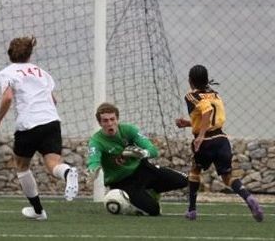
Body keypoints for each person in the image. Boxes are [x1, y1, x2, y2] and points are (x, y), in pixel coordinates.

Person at [0, 36, 78, 221]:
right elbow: (53, 100)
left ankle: (38, 211)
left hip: (28, 124)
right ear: (30, 55)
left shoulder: (7, 72)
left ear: (9, 53)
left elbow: (7, 98)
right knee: (53, 164)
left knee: (21, 166)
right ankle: (68, 172)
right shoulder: (42, 72)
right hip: (52, 121)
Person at [175, 64, 263, 222]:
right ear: (206, 80)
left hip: (206, 141)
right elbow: (211, 117)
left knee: (195, 171)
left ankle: (192, 210)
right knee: (227, 177)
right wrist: (188, 124)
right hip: (221, 140)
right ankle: (248, 197)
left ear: (190, 81)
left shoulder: (191, 96)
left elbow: (207, 111)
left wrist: (200, 136)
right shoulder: (215, 95)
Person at [87, 102, 188, 216]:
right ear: (100, 123)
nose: (110, 123)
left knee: (183, 180)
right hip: (122, 182)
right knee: (154, 211)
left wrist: (143, 153)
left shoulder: (129, 130)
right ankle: (129, 201)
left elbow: (153, 150)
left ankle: (151, 191)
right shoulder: (96, 141)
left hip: (142, 170)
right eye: (105, 121)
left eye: (112, 119)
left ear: (117, 119)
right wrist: (93, 170)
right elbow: (93, 160)